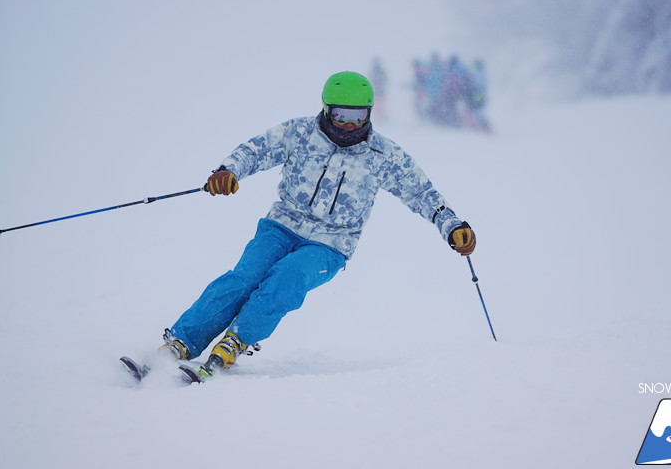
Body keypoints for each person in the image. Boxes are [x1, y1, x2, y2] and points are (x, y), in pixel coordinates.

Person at [159, 71, 476, 380]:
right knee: (243, 279)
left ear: (369, 113)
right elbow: (256, 150)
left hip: (330, 244)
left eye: (357, 116)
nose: (349, 125)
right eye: (340, 115)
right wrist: (228, 170)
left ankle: (237, 340)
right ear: (326, 109)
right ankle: (182, 341)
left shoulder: (384, 155)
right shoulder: (298, 133)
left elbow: (421, 192)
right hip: (280, 227)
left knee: (287, 278)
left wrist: (451, 225)